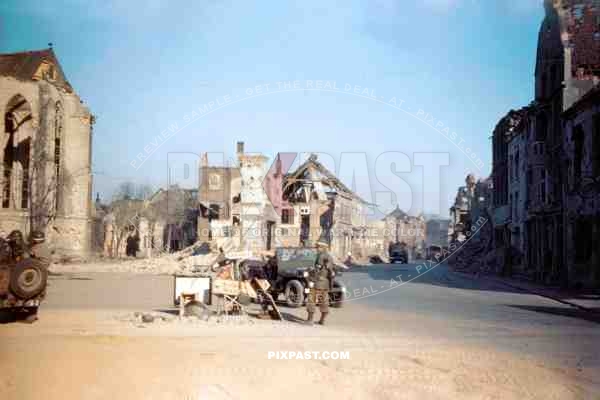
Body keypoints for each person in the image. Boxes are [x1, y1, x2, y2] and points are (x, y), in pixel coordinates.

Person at [306, 240, 336, 326]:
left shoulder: (320, 256)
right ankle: (322, 320)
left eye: (318, 247)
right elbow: (332, 272)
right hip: (325, 283)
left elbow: (316, 270)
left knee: (311, 300)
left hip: (316, 282)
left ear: (322, 248)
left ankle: (310, 320)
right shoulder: (330, 257)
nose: (316, 248)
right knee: (324, 302)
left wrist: (310, 279)